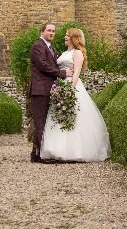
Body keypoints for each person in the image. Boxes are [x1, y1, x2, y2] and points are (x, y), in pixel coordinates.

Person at [39, 28, 111, 162]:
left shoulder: (78, 53)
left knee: (73, 116)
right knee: (59, 116)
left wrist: (70, 90)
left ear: (74, 38)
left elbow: (77, 72)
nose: (65, 37)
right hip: (60, 85)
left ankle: (74, 151)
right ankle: (56, 149)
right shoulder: (65, 52)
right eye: (65, 35)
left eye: (67, 35)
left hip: (71, 86)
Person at [27, 22, 67, 163]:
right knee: (41, 122)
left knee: (46, 123)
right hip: (40, 90)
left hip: (48, 89)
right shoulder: (38, 45)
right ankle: (37, 155)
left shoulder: (50, 47)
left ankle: (38, 152)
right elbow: (43, 66)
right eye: (49, 30)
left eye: (54, 31)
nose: (52, 33)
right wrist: (62, 73)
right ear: (42, 31)